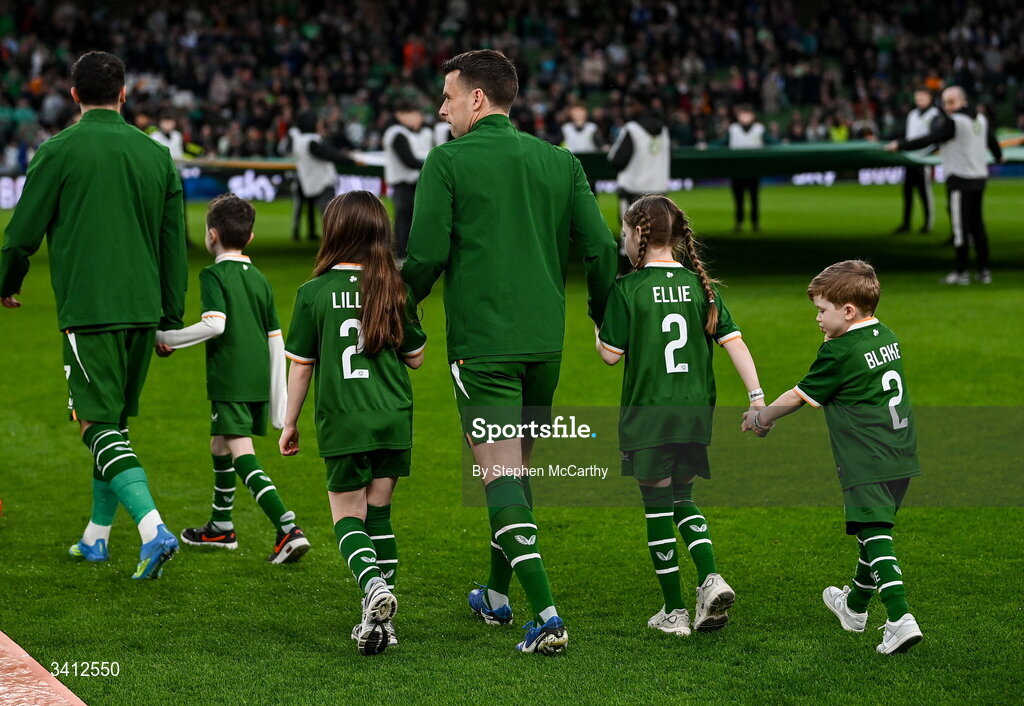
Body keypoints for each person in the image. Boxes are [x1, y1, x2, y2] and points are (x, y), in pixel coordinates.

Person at [402, 49, 618, 655]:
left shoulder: (446, 162)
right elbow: (601, 247)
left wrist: (398, 308)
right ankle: (497, 595)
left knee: (498, 473)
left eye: (447, 97)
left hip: (483, 347)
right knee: (515, 474)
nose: (440, 109)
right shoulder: (561, 161)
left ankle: (547, 616)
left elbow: (424, 258)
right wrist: (604, 316)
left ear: (477, 98)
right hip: (544, 347)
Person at [0, 51, 187, 579]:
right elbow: (174, 247)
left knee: (95, 423)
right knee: (114, 425)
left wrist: (6, 284)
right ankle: (96, 538)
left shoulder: (58, 150)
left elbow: (20, 236)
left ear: (75, 95)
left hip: (90, 308)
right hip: (143, 310)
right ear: (124, 94)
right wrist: (168, 319)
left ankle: (152, 530)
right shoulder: (157, 156)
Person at [598, 194, 766, 636]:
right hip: (695, 414)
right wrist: (756, 397)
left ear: (639, 234)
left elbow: (610, 356)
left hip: (649, 415)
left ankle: (672, 612)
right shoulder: (698, 286)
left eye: (624, 231)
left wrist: (599, 321)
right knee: (683, 500)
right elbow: (735, 343)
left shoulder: (627, 289)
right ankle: (710, 579)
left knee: (657, 511)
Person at [742, 260, 924, 655]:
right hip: (901, 453)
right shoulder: (886, 334)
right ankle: (854, 609)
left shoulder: (839, 352)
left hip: (865, 458)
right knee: (869, 530)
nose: (817, 318)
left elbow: (796, 396)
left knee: (876, 535)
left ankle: (899, 618)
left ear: (848, 311)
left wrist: (761, 418)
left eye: (822, 310)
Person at [279, 191, 426, 656]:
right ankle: (381, 623)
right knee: (379, 516)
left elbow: (301, 366)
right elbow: (417, 358)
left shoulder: (313, 292)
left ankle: (373, 585)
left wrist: (290, 423)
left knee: (347, 517)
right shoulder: (392, 287)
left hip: (344, 420)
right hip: (392, 416)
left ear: (335, 233)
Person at [154, 194, 309, 563]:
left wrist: (166, 338)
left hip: (231, 378)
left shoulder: (213, 274)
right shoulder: (259, 279)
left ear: (211, 235)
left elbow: (215, 324)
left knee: (241, 452)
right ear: (250, 238)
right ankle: (221, 527)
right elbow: (276, 338)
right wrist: (280, 402)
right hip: (257, 379)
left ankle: (288, 528)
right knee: (219, 445)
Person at [887, 86, 1003, 284]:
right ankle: (984, 271)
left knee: (960, 228)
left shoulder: (954, 122)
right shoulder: (981, 119)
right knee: (978, 226)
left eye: (951, 102)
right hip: (979, 178)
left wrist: (900, 145)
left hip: (959, 179)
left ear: (962, 101)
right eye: (945, 102)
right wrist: (999, 157)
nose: (947, 106)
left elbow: (930, 139)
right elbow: (992, 142)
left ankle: (961, 272)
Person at [608, 85, 670, 221]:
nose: (627, 108)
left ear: (642, 106)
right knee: (657, 237)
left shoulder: (631, 129)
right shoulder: (663, 130)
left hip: (633, 194)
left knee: (631, 238)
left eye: (631, 104)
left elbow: (616, 161)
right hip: (659, 193)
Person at [289, 111, 350, 242]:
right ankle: (335, 249)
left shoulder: (300, 140)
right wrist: (348, 158)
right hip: (322, 183)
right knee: (331, 220)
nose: (321, 124)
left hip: (311, 182)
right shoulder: (311, 141)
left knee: (326, 218)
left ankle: (330, 245)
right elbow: (329, 154)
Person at [382, 102, 433, 260]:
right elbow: (408, 160)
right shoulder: (397, 133)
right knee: (403, 220)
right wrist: (432, 165)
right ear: (400, 114)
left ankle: (404, 253)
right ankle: (400, 255)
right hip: (403, 183)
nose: (418, 118)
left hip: (409, 183)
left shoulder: (406, 132)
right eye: (413, 114)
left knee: (408, 219)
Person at [722, 105, 775, 232]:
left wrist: (781, 142)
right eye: (742, 114)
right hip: (737, 170)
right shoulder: (733, 129)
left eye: (747, 114)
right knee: (738, 199)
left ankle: (755, 223)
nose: (745, 117)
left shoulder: (759, 129)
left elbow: (770, 141)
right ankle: (739, 223)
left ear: (753, 116)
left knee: (754, 198)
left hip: (753, 169)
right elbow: (723, 142)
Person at [894, 90, 940, 234]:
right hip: (909, 158)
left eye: (923, 96)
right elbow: (904, 133)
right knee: (907, 192)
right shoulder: (912, 114)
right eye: (917, 96)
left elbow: (933, 138)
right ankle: (906, 224)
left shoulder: (934, 114)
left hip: (923, 158)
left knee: (924, 193)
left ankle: (928, 224)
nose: (920, 99)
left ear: (930, 97)